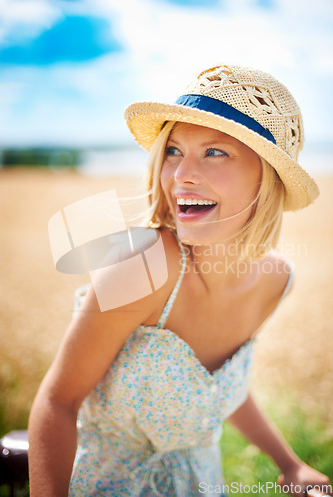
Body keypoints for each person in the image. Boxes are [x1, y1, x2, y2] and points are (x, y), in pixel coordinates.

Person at [28, 64, 332, 497]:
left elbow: (216, 389)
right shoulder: (143, 265)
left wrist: (290, 465)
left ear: (268, 176)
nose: (181, 175)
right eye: (173, 150)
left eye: (214, 152)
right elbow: (57, 402)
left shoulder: (277, 280)